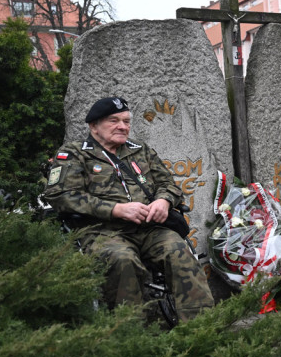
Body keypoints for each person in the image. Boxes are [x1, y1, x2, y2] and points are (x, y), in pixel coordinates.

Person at [43, 96, 214, 322]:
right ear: (94, 126)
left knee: (179, 252)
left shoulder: (141, 150)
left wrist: (163, 202)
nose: (122, 126)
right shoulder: (75, 154)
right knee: (122, 260)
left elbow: (169, 185)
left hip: (151, 229)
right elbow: (61, 195)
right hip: (103, 231)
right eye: (114, 121)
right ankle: (131, 333)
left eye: (126, 121)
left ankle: (203, 329)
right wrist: (116, 209)